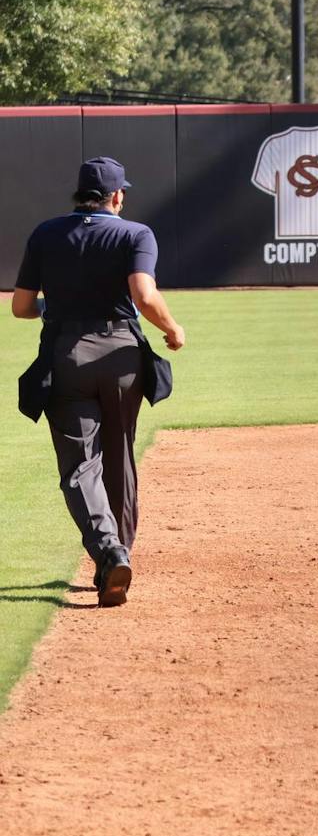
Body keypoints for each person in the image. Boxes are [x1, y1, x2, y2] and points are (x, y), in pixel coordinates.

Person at [11, 158, 185, 608]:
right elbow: (144, 295)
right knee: (119, 456)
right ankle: (116, 557)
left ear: (79, 194)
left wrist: (56, 306)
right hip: (122, 355)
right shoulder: (134, 234)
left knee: (79, 466)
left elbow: (22, 307)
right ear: (117, 197)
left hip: (67, 355)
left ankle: (110, 553)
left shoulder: (46, 233)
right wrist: (171, 328)